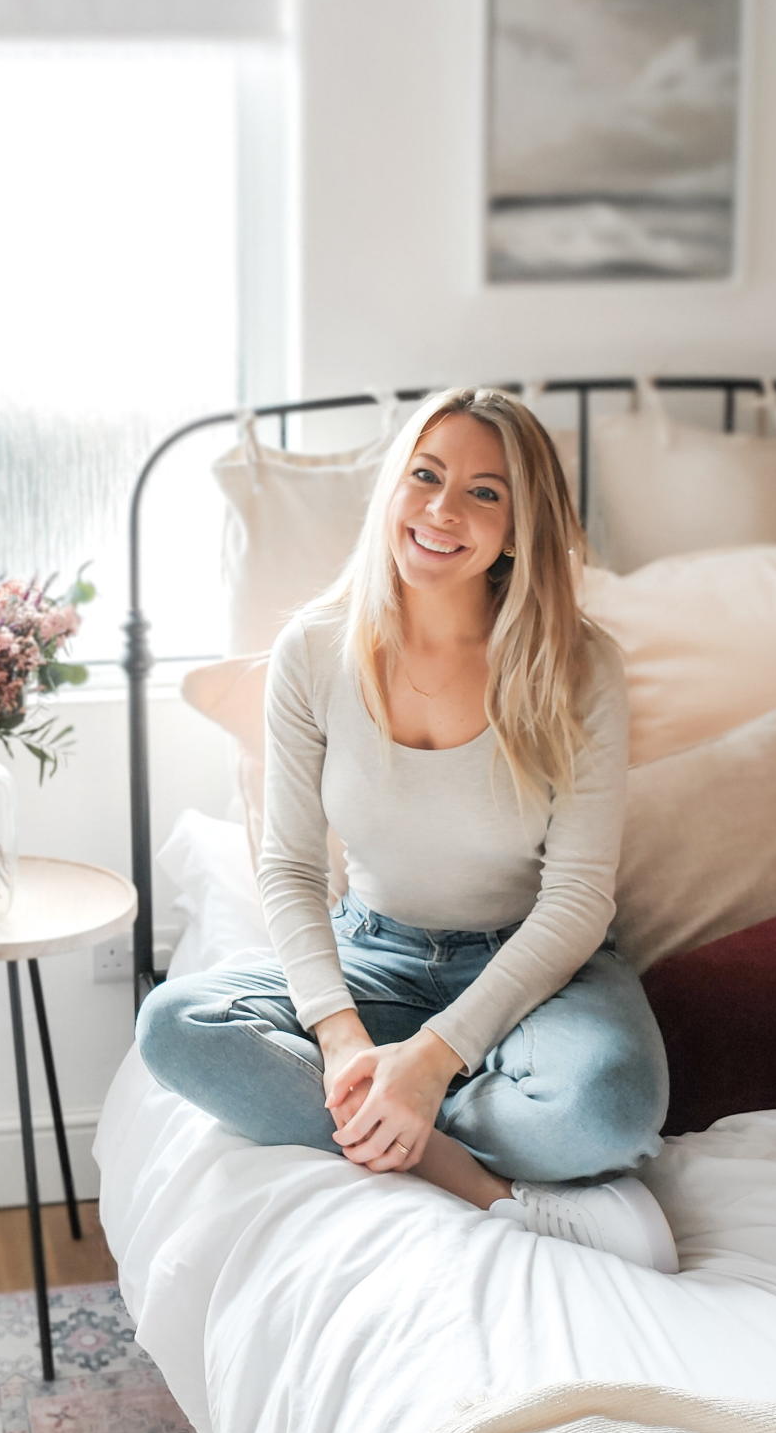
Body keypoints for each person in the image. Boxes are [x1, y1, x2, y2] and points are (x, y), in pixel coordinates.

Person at [137, 386, 678, 1272]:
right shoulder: (312, 652)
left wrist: (434, 1058)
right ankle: (471, 1177)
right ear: (391, 488)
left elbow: (579, 897)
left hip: (537, 969)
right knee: (175, 1022)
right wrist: (348, 1038)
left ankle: (416, 1095)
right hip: (374, 954)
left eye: (484, 491)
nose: (442, 509)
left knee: (610, 1108)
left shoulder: (580, 666)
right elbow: (287, 866)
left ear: (521, 522)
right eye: (424, 475)